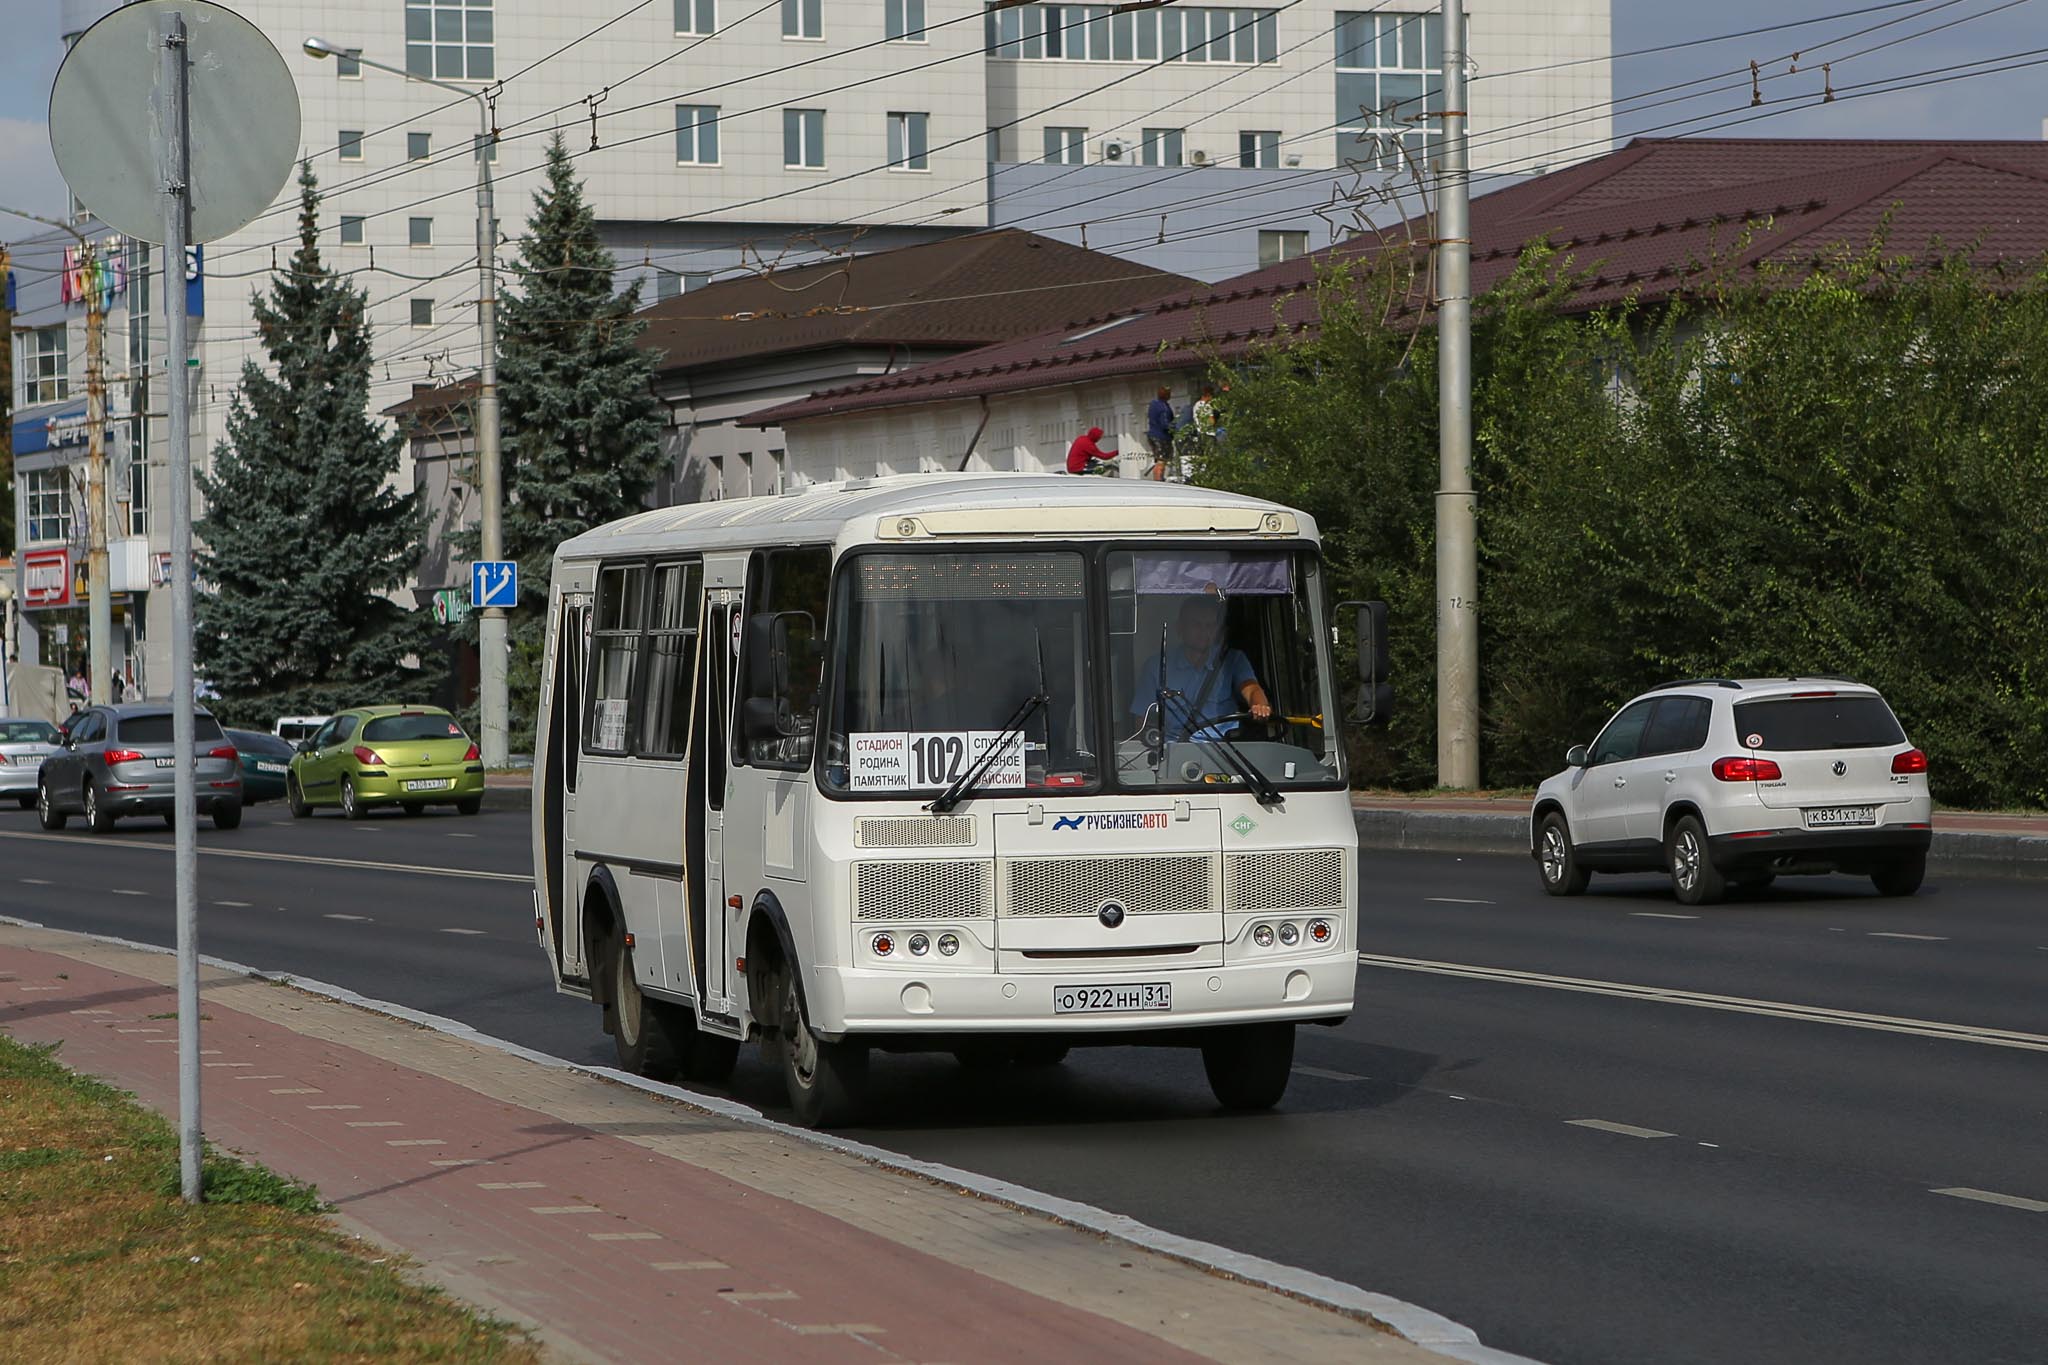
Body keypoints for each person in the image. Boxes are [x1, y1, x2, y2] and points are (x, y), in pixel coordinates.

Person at [1129, 594, 1272, 741]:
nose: (1204, 631)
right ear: (1180, 628)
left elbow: (1252, 689)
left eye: (1210, 626)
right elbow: (1141, 722)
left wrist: (1259, 706)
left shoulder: (1233, 659)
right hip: (1176, 753)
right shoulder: (1156, 666)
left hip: (1227, 752)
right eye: (1196, 624)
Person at [1145, 386, 1176, 481]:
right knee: (1161, 461)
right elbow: (1165, 424)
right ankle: (1159, 481)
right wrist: (1175, 427)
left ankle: (1158, 479)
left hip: (1152, 435)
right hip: (1162, 437)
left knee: (1158, 459)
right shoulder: (1164, 408)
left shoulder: (1153, 404)